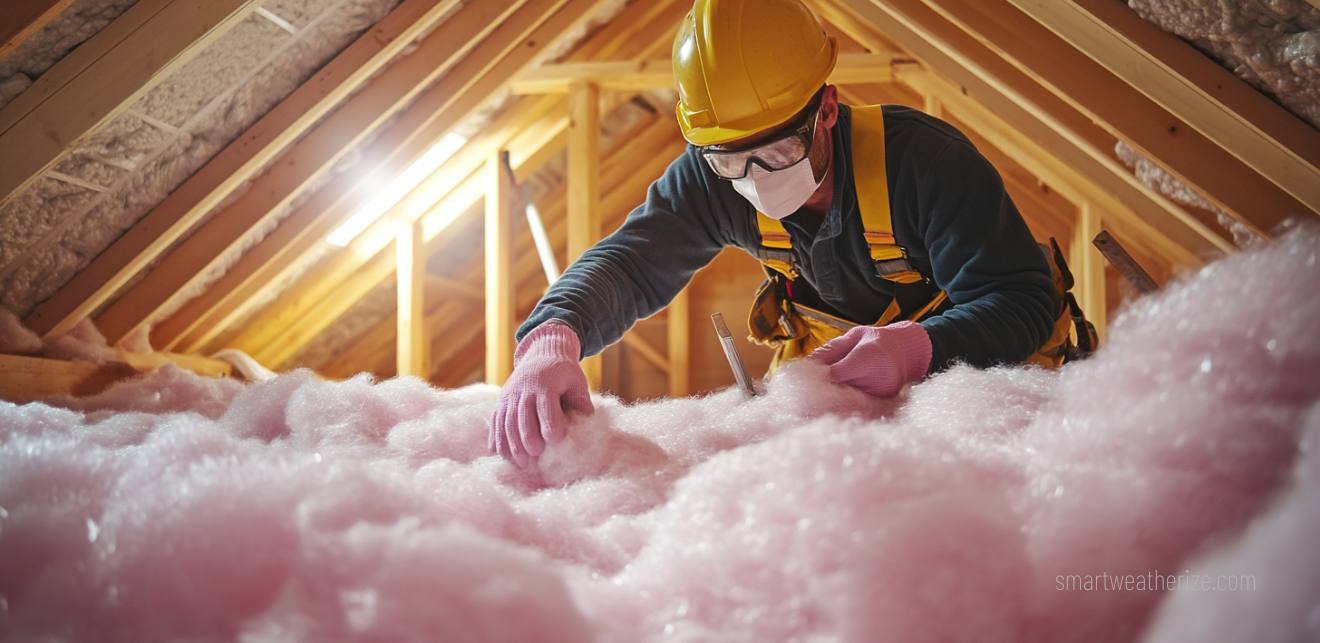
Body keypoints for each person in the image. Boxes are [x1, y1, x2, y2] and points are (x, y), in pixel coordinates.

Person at [487, 0, 1093, 467]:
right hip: (845, 427)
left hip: (979, 396)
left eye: (776, 150)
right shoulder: (711, 178)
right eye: (729, 160)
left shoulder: (925, 164)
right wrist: (553, 338)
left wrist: (916, 349)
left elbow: (1021, 300)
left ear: (826, 109)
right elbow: (627, 265)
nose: (751, 178)